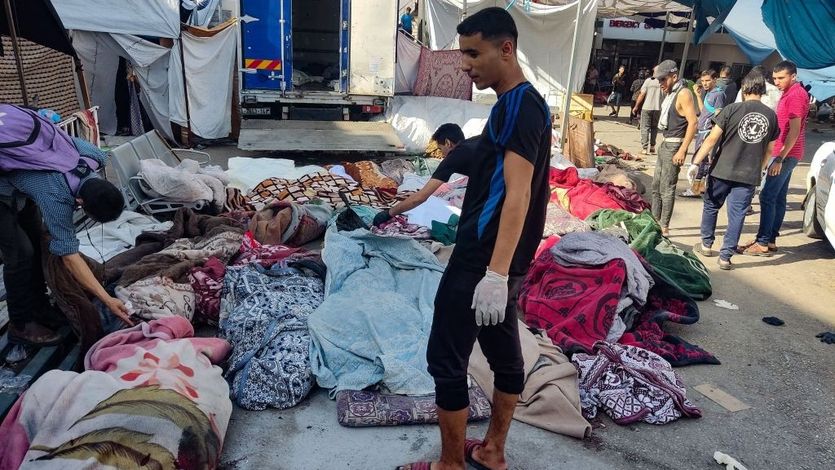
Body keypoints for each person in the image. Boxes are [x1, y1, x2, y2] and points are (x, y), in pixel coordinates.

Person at [397, 8, 551, 470]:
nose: (465, 65)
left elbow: (519, 194)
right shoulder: (514, 105)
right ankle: (493, 452)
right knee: (505, 353)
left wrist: (494, 274)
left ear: (506, 48)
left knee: (445, 358)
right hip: (504, 260)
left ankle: (450, 464)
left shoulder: (521, 104)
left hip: (483, 260)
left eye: (472, 53)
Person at [0, 104, 132, 346]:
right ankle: (21, 325)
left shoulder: (95, 157)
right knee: (20, 254)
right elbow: (69, 255)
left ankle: (39, 307)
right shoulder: (56, 196)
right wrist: (107, 300)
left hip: (18, 178)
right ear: (79, 202)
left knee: (38, 241)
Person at [691, 69, 779, 270]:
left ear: (744, 87)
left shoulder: (732, 109)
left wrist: (696, 162)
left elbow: (712, 139)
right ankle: (725, 257)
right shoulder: (771, 116)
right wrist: (761, 168)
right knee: (737, 214)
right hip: (749, 174)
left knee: (712, 205)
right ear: (763, 90)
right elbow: (770, 150)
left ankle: (706, 244)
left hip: (722, 169)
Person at [739, 60, 810, 256]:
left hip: (785, 154)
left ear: (793, 76)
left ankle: (762, 242)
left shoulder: (795, 95)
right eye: (775, 78)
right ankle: (769, 240)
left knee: (767, 196)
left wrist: (779, 158)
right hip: (787, 153)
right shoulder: (790, 93)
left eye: (781, 78)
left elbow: (794, 131)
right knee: (778, 198)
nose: (777, 82)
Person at [374, 124, 467, 226]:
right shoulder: (476, 143)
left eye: (440, 149)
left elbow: (420, 197)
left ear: (448, 143)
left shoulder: (453, 158)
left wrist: (389, 213)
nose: (443, 155)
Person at [651, 60, 698, 237]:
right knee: (656, 185)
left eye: (663, 79)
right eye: (659, 80)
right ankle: (655, 219)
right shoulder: (670, 93)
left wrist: (682, 150)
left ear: (674, 76)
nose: (661, 84)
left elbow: (693, 122)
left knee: (667, 188)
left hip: (675, 144)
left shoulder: (683, 93)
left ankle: (664, 226)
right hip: (666, 143)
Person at [682, 69, 726, 197]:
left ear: (715, 80)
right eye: (703, 81)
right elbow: (704, 111)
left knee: (701, 160)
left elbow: (718, 114)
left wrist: (713, 133)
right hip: (702, 130)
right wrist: (697, 95)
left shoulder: (718, 94)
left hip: (707, 131)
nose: (705, 83)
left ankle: (696, 188)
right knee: (701, 159)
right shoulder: (709, 93)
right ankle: (699, 187)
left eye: (708, 80)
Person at [633, 66, 664, 155]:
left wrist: (636, 106)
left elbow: (642, 94)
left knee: (645, 127)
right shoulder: (663, 81)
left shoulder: (648, 81)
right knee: (654, 128)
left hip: (647, 107)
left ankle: (644, 148)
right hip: (658, 108)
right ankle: (653, 147)